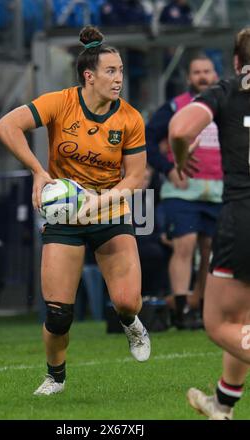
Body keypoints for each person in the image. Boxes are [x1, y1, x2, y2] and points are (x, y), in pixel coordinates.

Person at [0, 25, 150, 396]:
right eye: (111, 72)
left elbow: (136, 178)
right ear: (89, 76)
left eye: (121, 71)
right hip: (64, 216)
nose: (118, 79)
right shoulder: (60, 102)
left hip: (109, 211)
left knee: (128, 300)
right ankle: (55, 377)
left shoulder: (129, 118)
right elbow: (6, 126)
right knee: (59, 314)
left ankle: (131, 322)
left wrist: (102, 200)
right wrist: (38, 171)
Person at [169, 28, 250, 420]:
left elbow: (180, 129)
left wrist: (182, 158)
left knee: (218, 324)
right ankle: (222, 406)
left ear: (236, 61)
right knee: (242, 320)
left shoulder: (229, 89)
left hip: (244, 215)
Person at [146, 55, 222, 330]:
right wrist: (168, 168)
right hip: (183, 191)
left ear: (216, 74)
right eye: (197, 72)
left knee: (211, 252)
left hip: (218, 190)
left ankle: (200, 306)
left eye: (207, 71)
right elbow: (148, 140)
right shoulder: (175, 106)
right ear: (189, 78)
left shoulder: (224, 103)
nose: (202, 76)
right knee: (185, 245)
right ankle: (180, 310)